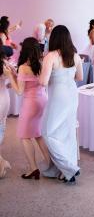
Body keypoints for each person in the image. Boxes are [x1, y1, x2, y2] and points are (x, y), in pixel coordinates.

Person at [40, 25, 83, 184]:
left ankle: (69, 168)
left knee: (48, 132)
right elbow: (79, 77)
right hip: (71, 94)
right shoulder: (75, 55)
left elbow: (43, 81)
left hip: (58, 95)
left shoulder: (50, 56)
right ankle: (66, 170)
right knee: (67, 132)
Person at [5, 37, 51, 180]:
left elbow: (19, 91)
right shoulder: (42, 63)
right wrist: (14, 73)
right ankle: (51, 164)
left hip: (30, 104)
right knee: (37, 134)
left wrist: (9, 75)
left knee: (25, 136)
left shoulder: (24, 67)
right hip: (42, 100)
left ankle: (33, 168)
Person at [0, 49, 11, 178]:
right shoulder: (5, 63)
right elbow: (10, 84)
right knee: (1, 125)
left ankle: (2, 163)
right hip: (4, 98)